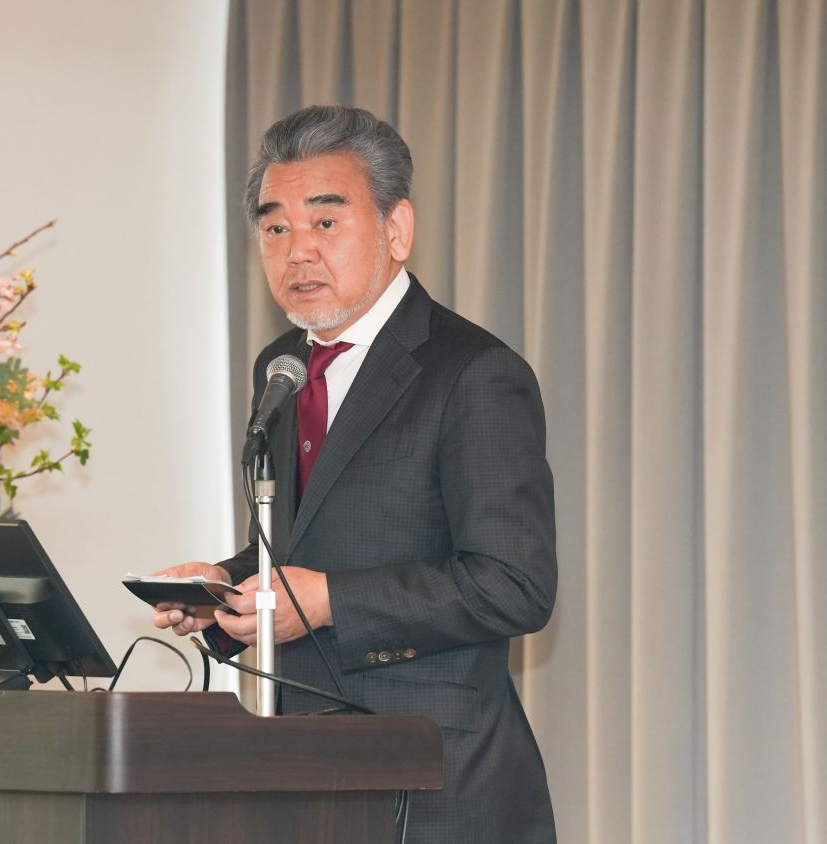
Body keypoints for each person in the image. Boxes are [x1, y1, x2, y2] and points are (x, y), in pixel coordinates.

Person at [150, 105, 557, 842]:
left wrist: (329, 601)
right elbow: (306, 543)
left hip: (436, 777)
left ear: (397, 230)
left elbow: (514, 584)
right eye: (276, 229)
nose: (297, 251)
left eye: (326, 222)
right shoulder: (281, 367)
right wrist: (226, 588)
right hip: (302, 773)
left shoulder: (473, 373)